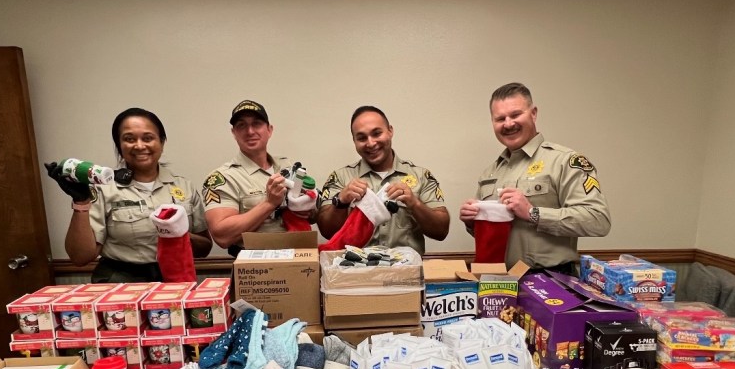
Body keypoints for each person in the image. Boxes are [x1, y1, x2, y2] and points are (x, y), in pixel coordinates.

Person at [459, 83, 610, 274]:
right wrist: (473, 222)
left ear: (534, 113)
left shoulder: (565, 161)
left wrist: (533, 213)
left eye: (515, 115)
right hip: (497, 280)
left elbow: (598, 220)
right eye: (500, 118)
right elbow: (495, 236)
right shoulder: (491, 173)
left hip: (552, 280)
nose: (508, 124)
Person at [47, 107, 211, 283]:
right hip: (120, 283)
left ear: (162, 142)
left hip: (175, 280)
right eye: (129, 139)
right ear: (119, 145)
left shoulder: (184, 187)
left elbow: (204, 248)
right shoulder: (104, 188)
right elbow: (80, 258)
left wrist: (178, 234)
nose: (139, 146)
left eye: (148, 138)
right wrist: (81, 202)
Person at [317, 106, 449, 254]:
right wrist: (341, 202)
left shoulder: (421, 176)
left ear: (390, 131)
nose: (371, 143)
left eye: (377, 133)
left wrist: (414, 203)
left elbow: (441, 231)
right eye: (361, 138)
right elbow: (326, 232)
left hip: (406, 272)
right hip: (356, 271)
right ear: (354, 140)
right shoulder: (340, 178)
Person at [204, 100, 303, 253]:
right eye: (241, 125)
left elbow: (311, 215)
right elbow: (222, 236)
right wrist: (269, 203)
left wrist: (307, 209)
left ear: (269, 130)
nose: (250, 131)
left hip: (298, 257)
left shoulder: (288, 166)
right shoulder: (222, 178)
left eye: (256, 124)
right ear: (234, 133)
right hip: (253, 266)